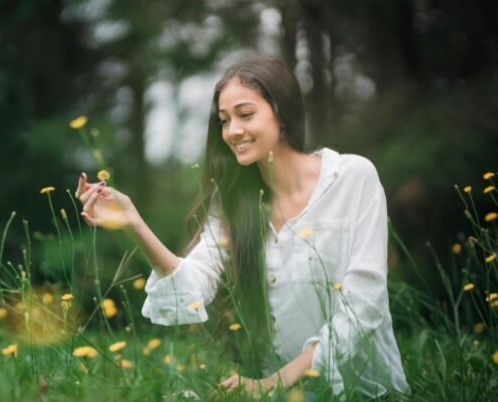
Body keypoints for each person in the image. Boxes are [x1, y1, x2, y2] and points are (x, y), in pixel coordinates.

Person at [75, 55, 409, 400]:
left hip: (366, 391)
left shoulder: (352, 177)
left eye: (245, 115)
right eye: (224, 120)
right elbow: (192, 287)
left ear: (281, 113)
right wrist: (132, 221)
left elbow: (364, 306)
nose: (233, 131)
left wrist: (275, 382)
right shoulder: (234, 201)